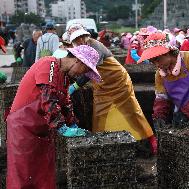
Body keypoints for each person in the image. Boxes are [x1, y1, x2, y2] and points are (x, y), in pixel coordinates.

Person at [6, 45, 99, 188]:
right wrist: (62, 127)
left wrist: (72, 123)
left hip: (42, 128)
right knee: (23, 172)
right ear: (78, 61)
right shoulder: (48, 64)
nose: (82, 75)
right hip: (23, 127)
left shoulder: (64, 77)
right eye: (85, 70)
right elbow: (49, 98)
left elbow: (66, 100)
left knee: (43, 172)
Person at [66, 25, 157, 154]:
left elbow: (88, 70)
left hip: (118, 81)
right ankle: (101, 146)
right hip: (101, 84)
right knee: (99, 115)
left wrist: (75, 86)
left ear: (85, 36)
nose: (80, 40)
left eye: (81, 37)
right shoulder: (78, 48)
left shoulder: (95, 46)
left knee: (131, 112)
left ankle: (150, 140)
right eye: (76, 39)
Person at [138, 32, 189, 127]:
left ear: (167, 52)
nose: (156, 65)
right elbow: (162, 98)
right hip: (184, 115)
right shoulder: (159, 75)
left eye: (157, 59)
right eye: (152, 62)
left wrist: (186, 113)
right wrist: (159, 116)